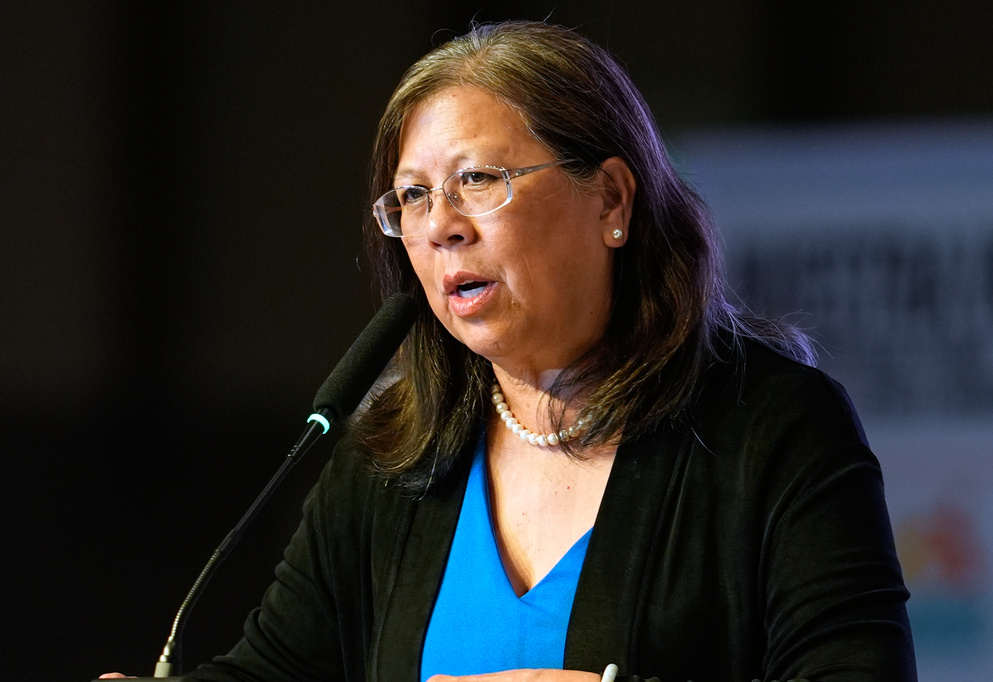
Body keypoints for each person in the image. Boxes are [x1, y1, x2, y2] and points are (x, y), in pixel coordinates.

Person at [103, 20, 916, 682]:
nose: (440, 223)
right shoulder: (392, 461)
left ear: (611, 199)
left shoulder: (772, 432)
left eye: (479, 179)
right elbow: (275, 671)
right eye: (414, 195)